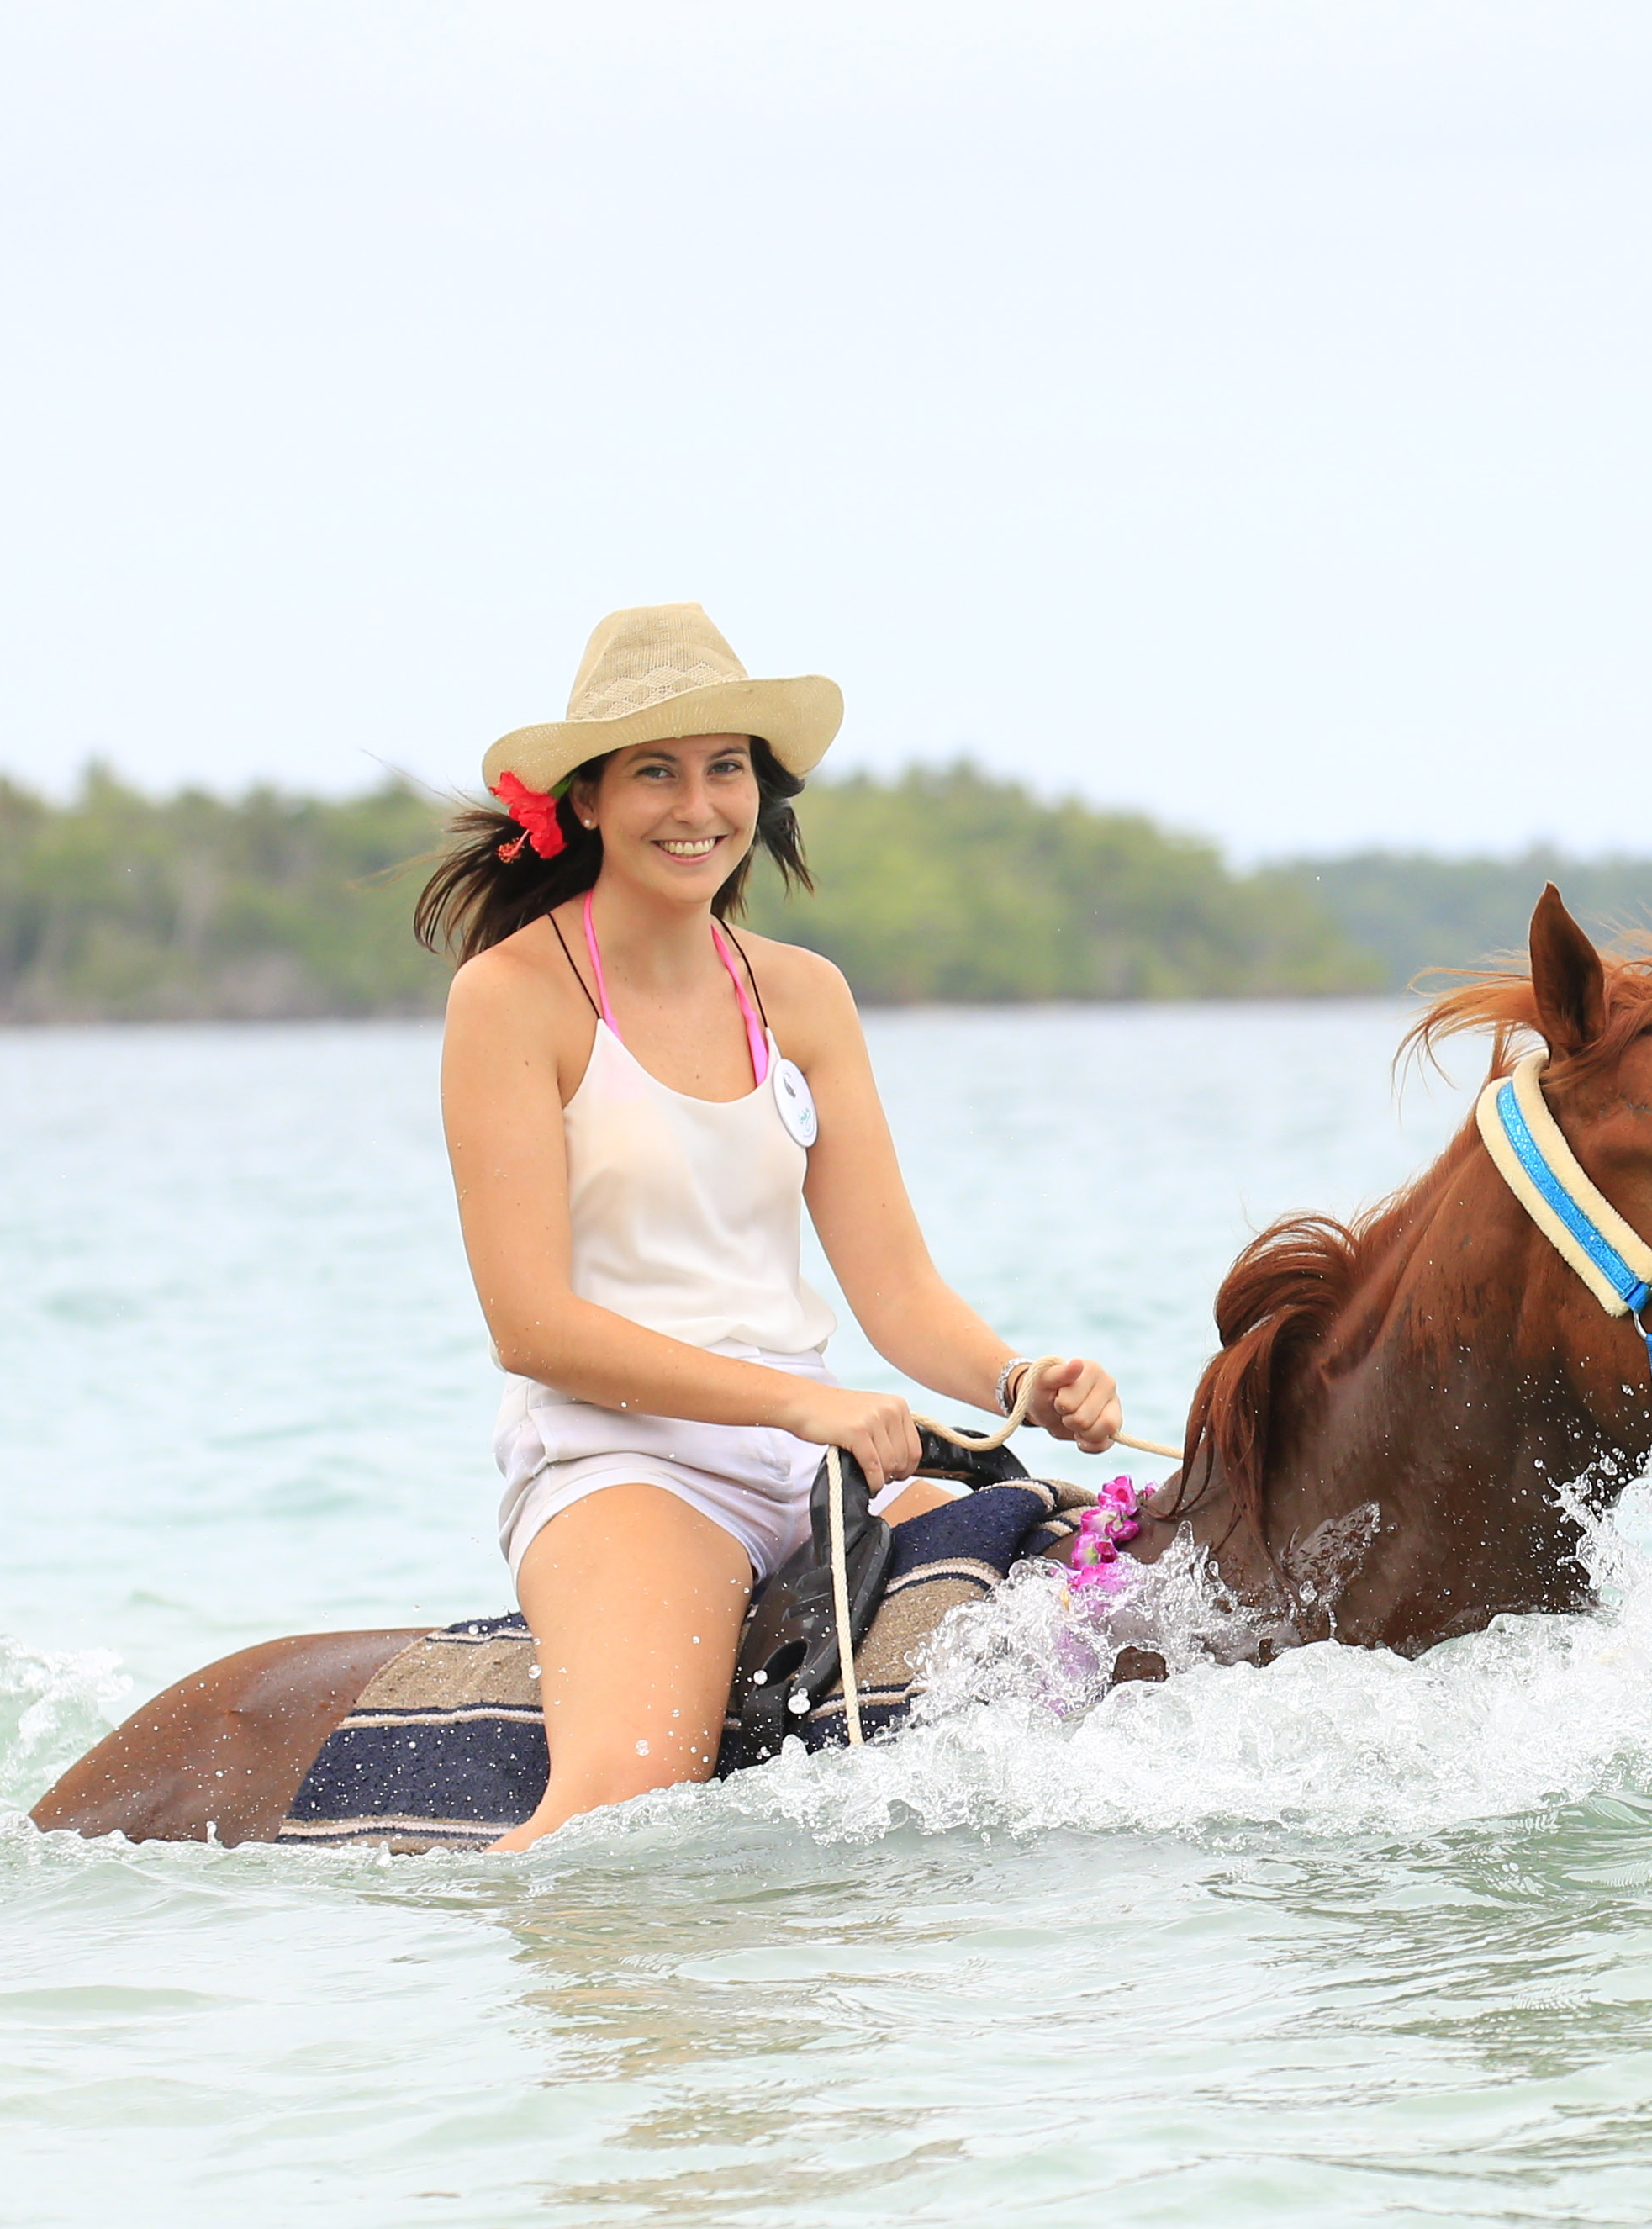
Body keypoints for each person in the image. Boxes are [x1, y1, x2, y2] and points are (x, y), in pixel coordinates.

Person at [419, 604, 1124, 1847]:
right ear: (585, 799)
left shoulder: (802, 995)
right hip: (622, 1463)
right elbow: (530, 1325)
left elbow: (896, 1292)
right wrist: (799, 1404)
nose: (699, 805)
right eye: (655, 770)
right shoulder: (510, 999)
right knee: (622, 1816)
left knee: (1088, 1658)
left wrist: (1022, 1375)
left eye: (726, 767)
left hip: (815, 1467)